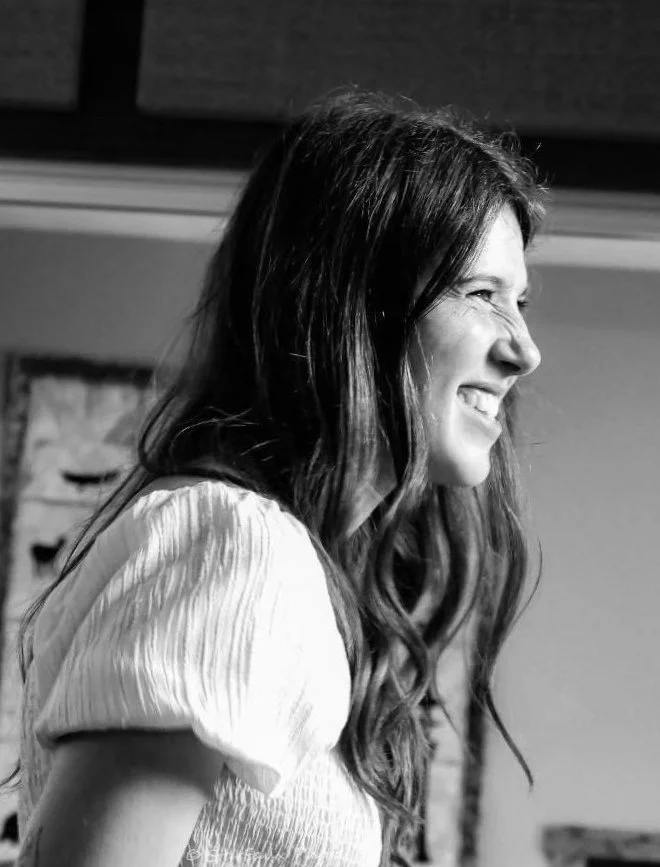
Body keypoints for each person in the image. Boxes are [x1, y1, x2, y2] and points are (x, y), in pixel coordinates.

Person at [12, 89, 544, 867]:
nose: (525, 349)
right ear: (356, 305)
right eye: (483, 295)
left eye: (520, 302)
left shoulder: (297, 574)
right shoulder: (234, 541)